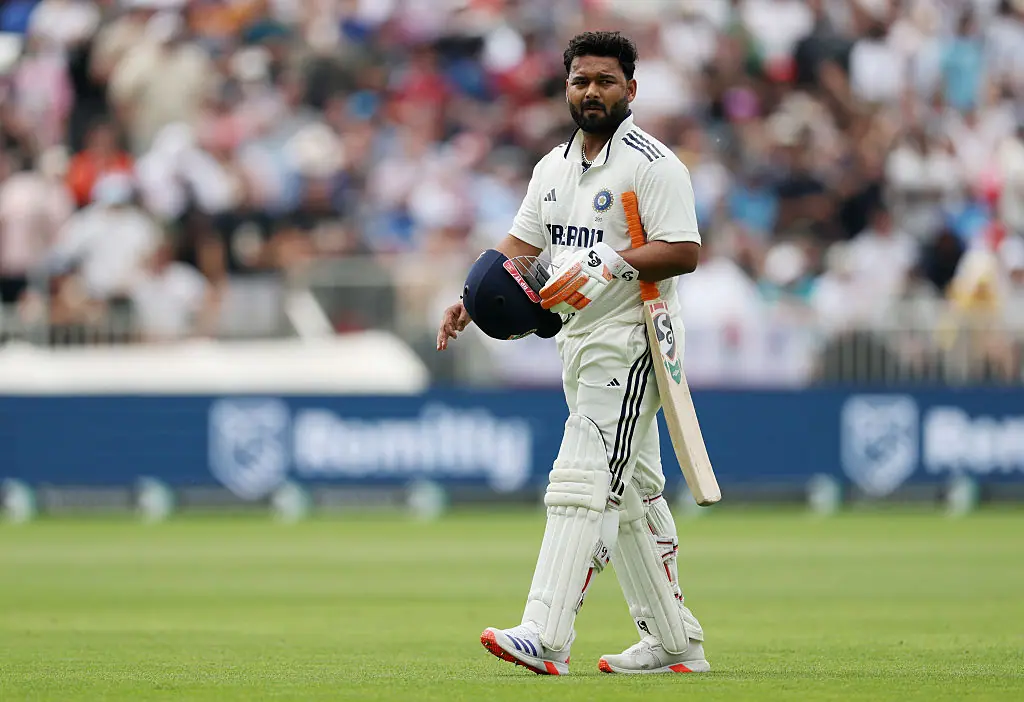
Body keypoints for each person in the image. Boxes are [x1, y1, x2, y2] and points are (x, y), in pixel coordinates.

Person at [436, 31, 709, 675]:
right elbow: (520, 247)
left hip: (633, 340)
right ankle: (675, 643)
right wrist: (471, 301)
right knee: (633, 491)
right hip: (577, 340)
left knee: (582, 480)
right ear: (566, 88)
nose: (592, 92)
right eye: (581, 81)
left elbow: (683, 250)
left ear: (630, 89)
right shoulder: (551, 168)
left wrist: (611, 261)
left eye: (605, 81)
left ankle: (546, 633)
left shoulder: (654, 164)